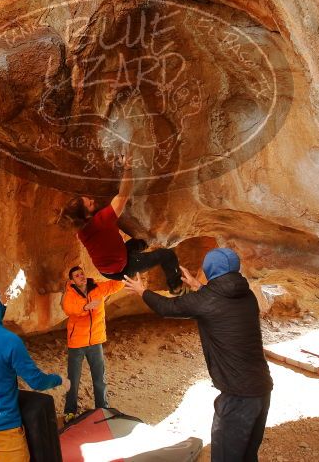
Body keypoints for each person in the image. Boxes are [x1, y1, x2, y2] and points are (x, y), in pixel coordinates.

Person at [123, 248, 273, 462]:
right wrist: (198, 286)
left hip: (237, 396)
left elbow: (167, 308)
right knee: (248, 455)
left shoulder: (206, 300)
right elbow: (217, 300)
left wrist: (142, 291)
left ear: (210, 269)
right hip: (262, 389)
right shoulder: (247, 295)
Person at [0, 283, 70, 462]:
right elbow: (37, 382)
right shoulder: (9, 341)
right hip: (3, 428)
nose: (3, 302)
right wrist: (60, 380)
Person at [61, 150, 183, 294]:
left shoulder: (81, 231)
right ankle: (176, 287)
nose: (93, 201)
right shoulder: (102, 221)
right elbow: (123, 194)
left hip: (110, 265)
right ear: (86, 216)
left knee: (141, 242)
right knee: (167, 255)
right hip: (122, 268)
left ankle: (143, 245)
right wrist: (127, 168)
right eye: (90, 204)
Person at [60, 265, 125, 423]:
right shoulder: (70, 293)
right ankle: (70, 411)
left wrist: (123, 271)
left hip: (95, 341)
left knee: (99, 378)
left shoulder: (97, 288)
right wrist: (84, 307)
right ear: (72, 280)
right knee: (73, 380)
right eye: (77, 275)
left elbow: (116, 285)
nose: (81, 277)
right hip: (77, 343)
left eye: (82, 273)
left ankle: (102, 408)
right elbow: (68, 308)